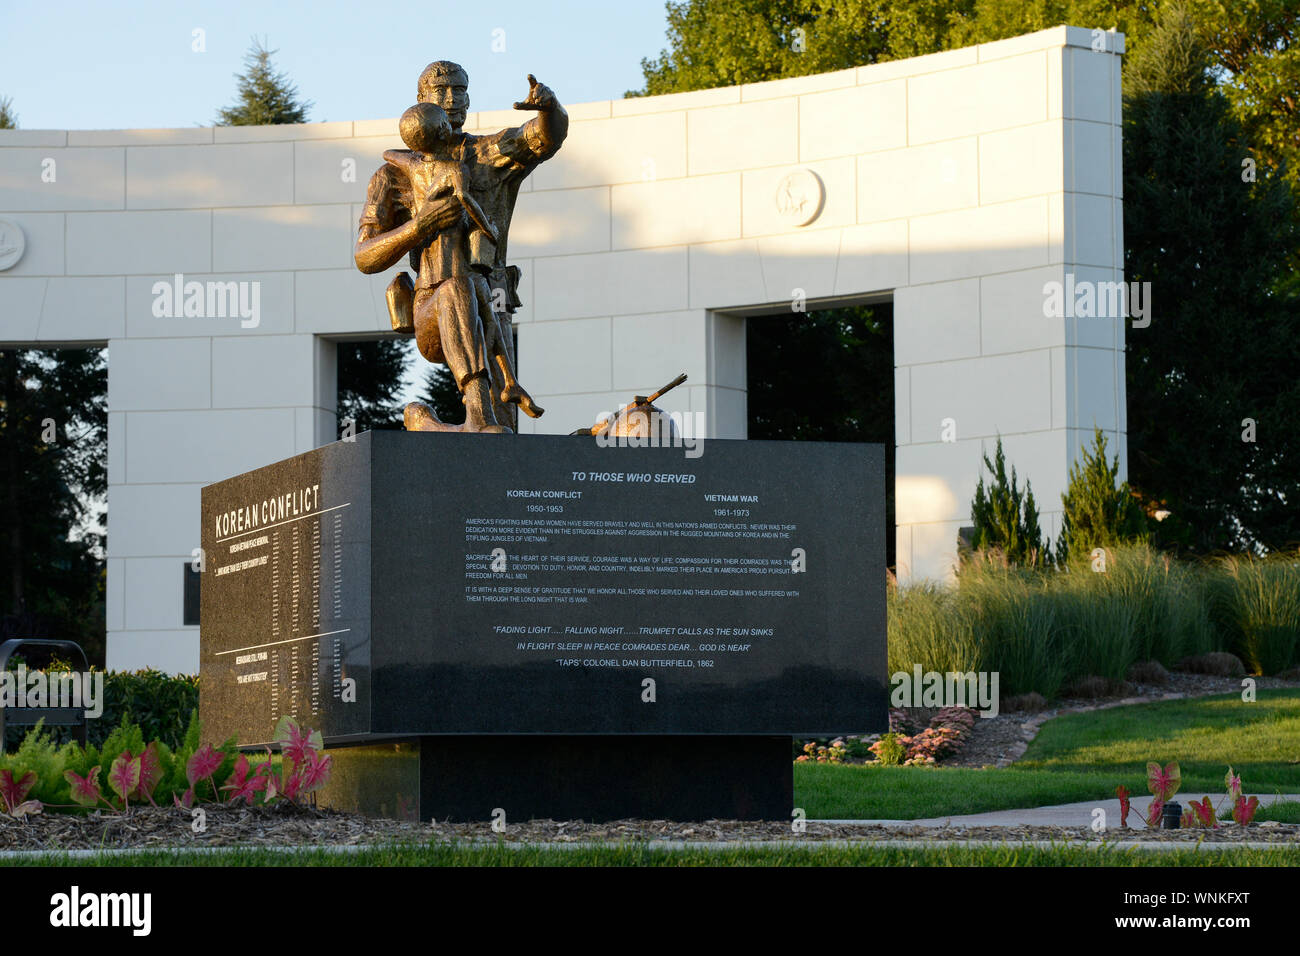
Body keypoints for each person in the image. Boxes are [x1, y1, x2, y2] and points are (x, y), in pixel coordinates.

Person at [354, 62, 568, 432]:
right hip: (433, 300)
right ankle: (475, 413)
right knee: (456, 289)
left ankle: (452, 425)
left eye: (461, 90)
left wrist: (550, 109)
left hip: (494, 297)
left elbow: (545, 139)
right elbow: (365, 256)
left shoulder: (489, 153)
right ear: (421, 100)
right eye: (442, 91)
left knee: (503, 435)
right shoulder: (393, 174)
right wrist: (418, 227)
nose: (453, 99)